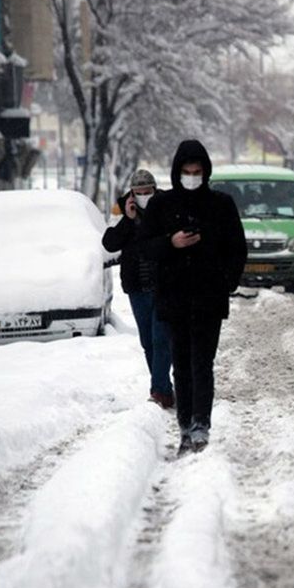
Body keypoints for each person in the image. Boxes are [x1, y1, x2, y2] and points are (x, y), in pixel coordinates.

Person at [139, 140, 247, 454]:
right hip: (173, 298)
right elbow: (145, 246)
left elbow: (237, 248)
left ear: (205, 172)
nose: (191, 177)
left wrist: (227, 280)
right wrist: (171, 242)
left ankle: (201, 425)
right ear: (176, 172)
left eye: (197, 172)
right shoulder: (162, 205)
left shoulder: (220, 204)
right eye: (186, 172)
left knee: (203, 363)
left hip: (209, 297)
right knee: (181, 365)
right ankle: (185, 425)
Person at [102, 169, 174, 409]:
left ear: (155, 190)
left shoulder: (166, 205)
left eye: (148, 192)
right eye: (139, 192)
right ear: (132, 193)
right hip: (137, 287)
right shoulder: (122, 209)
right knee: (148, 341)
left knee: (161, 337)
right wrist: (128, 219)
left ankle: (159, 391)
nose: (144, 196)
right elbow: (110, 242)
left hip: (164, 284)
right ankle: (164, 386)